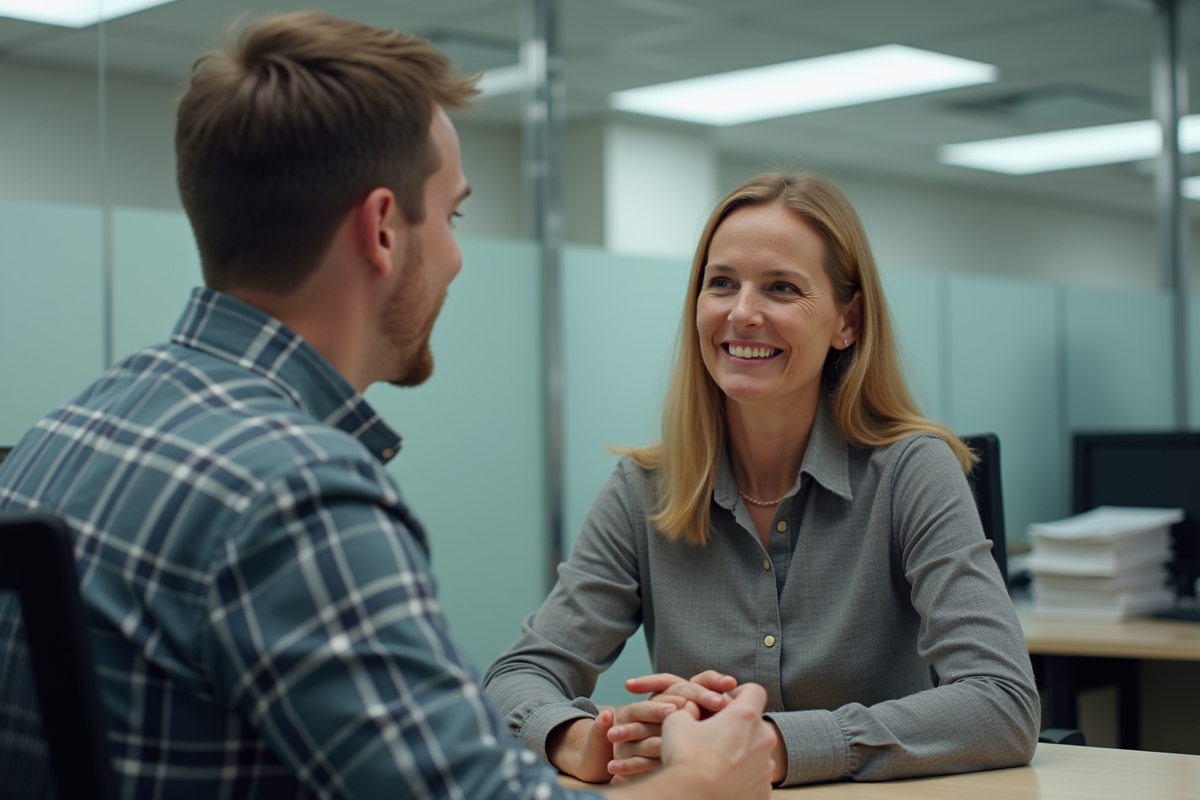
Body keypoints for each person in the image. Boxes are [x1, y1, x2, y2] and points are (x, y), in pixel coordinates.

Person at [0, 13, 778, 800]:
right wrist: (702, 782)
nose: (455, 256)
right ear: (381, 229)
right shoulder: (292, 493)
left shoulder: (64, 431)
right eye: (451, 215)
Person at [483, 172, 1041, 787]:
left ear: (846, 322)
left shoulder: (911, 471)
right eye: (721, 283)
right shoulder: (645, 487)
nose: (742, 313)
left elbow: (1002, 702)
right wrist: (587, 739)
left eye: (781, 288)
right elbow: (518, 676)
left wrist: (771, 745)